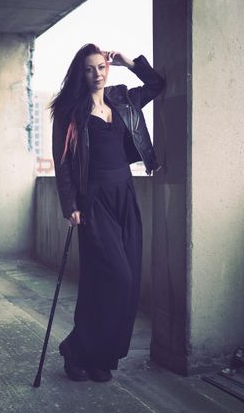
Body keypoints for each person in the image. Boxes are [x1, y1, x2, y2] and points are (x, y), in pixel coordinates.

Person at [51, 43, 165, 383]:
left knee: (119, 285)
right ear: (80, 73)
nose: (97, 74)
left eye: (101, 67)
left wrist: (129, 62)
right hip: (94, 201)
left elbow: (157, 85)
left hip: (125, 195)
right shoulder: (71, 112)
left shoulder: (123, 99)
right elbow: (63, 163)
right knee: (118, 279)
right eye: (89, 68)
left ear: (107, 68)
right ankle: (76, 348)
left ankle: (99, 356)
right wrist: (69, 204)